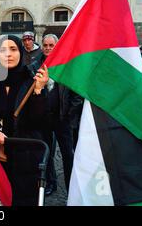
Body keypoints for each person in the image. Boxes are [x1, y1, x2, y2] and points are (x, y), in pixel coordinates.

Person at [0, 35, 49, 206]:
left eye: (13, 49)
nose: (8, 54)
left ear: (20, 52)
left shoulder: (32, 81)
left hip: (25, 161)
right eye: (4, 50)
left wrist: (38, 92)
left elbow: (40, 121)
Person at [35, 34, 83, 195]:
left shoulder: (67, 66)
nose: (48, 48)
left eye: (51, 45)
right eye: (45, 45)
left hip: (64, 120)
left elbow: (77, 96)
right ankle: (50, 183)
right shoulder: (36, 65)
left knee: (68, 155)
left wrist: (69, 117)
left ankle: (71, 187)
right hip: (44, 119)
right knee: (46, 154)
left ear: (57, 46)